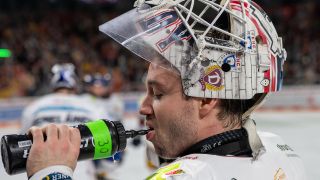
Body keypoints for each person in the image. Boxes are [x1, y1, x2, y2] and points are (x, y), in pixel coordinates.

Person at [25, 0, 306, 179]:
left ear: (207, 99)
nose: (143, 107)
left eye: (158, 94)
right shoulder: (281, 151)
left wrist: (51, 173)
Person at [21, 63, 105, 180]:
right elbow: (104, 139)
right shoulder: (91, 106)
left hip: (43, 172)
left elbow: (24, 144)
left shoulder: (34, 107)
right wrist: (103, 170)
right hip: (83, 172)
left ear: (53, 85)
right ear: (74, 85)